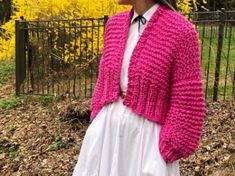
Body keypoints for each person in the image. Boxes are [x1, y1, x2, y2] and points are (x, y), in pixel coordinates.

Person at [72, 0, 206, 175]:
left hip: (146, 140)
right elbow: (103, 79)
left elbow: (187, 97)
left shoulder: (181, 31)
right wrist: (97, 117)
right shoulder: (114, 25)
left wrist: (171, 145)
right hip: (106, 133)